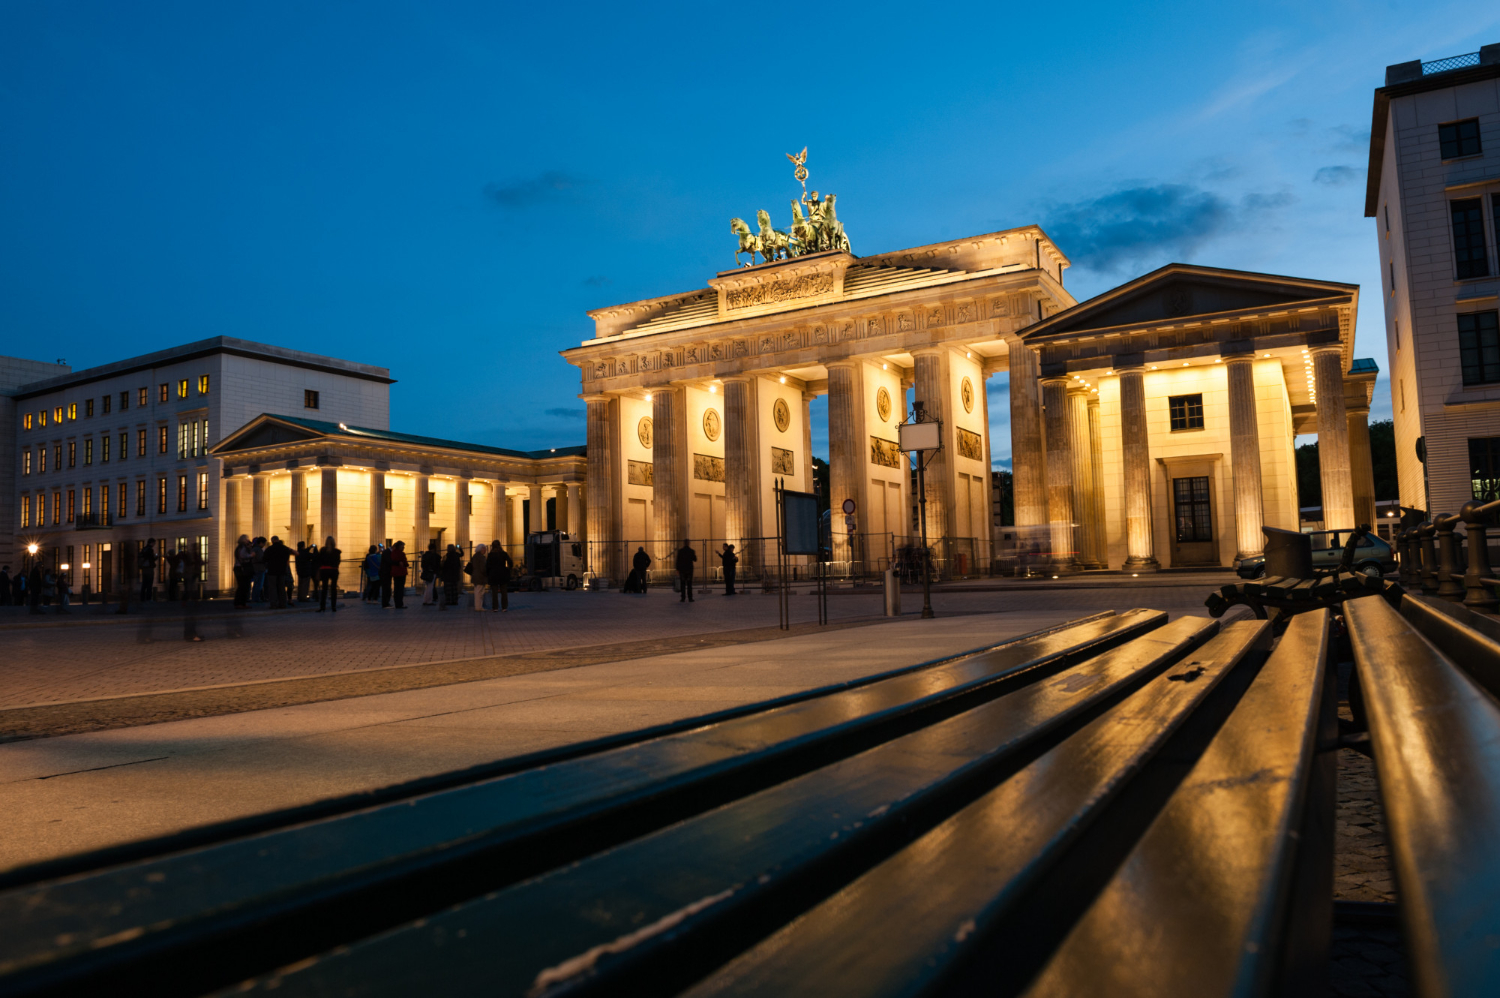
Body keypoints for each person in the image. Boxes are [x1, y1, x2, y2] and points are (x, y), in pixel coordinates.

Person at [264, 536, 292, 609]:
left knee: (272, 588)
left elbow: (264, 559)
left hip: (272, 571)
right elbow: (288, 556)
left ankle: (273, 604)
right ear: (278, 540)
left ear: (272, 541)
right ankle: (282, 604)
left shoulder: (269, 549)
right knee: (282, 588)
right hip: (282, 570)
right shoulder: (285, 548)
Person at [316, 536, 342, 613]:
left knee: (324, 589)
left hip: (324, 570)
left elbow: (319, 561)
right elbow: (338, 562)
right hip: (333, 571)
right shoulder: (337, 551)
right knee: (333, 589)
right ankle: (333, 606)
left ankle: (322, 607)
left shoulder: (322, 550)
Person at [485, 540, 511, 612]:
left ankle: (495, 607)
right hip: (502, 573)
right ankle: (504, 607)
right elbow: (510, 562)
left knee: (494, 593)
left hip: (493, 574)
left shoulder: (490, 555)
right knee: (504, 592)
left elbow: (487, 566)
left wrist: (488, 574)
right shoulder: (504, 554)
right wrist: (508, 569)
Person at [465, 543, 489, 611]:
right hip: (480, 576)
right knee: (480, 592)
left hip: (475, 575)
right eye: (484, 549)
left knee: (477, 591)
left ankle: (478, 606)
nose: (485, 550)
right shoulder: (481, 557)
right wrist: (486, 573)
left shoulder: (475, 556)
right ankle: (479, 607)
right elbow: (483, 568)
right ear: (481, 549)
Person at [232, 535, 253, 608]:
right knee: (243, 586)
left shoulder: (240, 547)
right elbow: (243, 556)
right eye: (247, 539)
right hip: (241, 568)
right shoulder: (242, 547)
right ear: (243, 540)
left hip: (239, 568)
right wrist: (251, 555)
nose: (248, 541)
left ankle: (241, 603)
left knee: (242, 586)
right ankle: (239, 603)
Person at [440, 544, 463, 609]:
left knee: (448, 589)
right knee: (454, 588)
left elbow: (444, 565)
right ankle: (455, 601)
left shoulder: (447, 556)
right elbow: (462, 554)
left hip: (448, 575)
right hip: (455, 574)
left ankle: (448, 601)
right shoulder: (456, 555)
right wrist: (460, 548)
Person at [388, 540, 408, 609]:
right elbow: (405, 563)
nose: (403, 548)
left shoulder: (392, 553)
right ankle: (400, 604)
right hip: (401, 572)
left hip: (395, 572)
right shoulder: (401, 554)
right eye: (403, 546)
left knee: (396, 588)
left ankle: (397, 603)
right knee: (400, 589)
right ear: (399, 547)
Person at [421, 540, 440, 606]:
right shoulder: (433, 556)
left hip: (426, 572)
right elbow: (435, 564)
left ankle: (425, 600)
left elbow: (422, 565)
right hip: (432, 573)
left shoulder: (425, 555)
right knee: (430, 587)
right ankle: (429, 601)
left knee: (427, 587)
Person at [250, 537, 267, 603]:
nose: (264, 545)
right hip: (259, 568)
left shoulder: (254, 548)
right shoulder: (258, 549)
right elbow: (260, 559)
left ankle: (255, 598)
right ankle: (256, 598)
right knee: (258, 584)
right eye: (264, 543)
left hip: (256, 568)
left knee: (256, 584)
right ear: (261, 543)